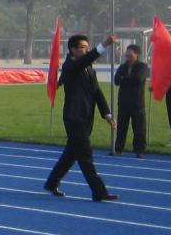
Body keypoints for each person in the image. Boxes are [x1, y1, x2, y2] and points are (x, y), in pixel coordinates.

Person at [43, 34, 118, 202]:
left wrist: (107, 114)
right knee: (85, 155)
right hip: (74, 117)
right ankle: (99, 192)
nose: (86, 50)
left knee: (70, 155)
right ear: (73, 50)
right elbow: (86, 59)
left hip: (86, 117)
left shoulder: (89, 68)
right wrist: (104, 45)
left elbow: (97, 92)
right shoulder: (71, 65)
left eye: (87, 47)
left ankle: (51, 183)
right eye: (83, 47)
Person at [113, 43, 147, 157]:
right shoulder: (123, 66)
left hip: (137, 102)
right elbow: (116, 80)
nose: (127, 54)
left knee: (139, 128)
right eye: (127, 52)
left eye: (129, 52)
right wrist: (126, 79)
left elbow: (138, 79)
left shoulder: (142, 66)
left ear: (136, 54)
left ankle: (139, 150)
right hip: (123, 102)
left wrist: (124, 78)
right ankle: (118, 149)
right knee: (121, 127)